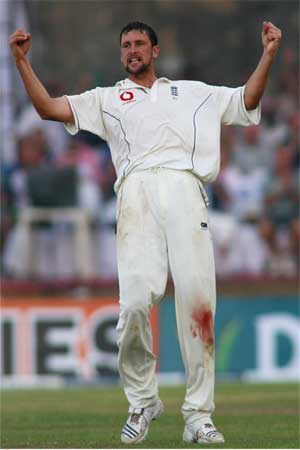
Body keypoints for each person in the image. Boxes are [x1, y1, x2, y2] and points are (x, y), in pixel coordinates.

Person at [10, 20, 282, 445]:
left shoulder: (193, 93)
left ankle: (198, 415)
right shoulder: (106, 100)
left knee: (198, 306)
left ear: (155, 51)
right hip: (135, 194)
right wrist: (22, 62)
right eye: (126, 45)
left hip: (186, 189)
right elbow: (48, 108)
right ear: (121, 54)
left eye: (140, 43)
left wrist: (267, 54)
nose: (132, 50)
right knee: (135, 304)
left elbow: (246, 100)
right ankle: (143, 401)